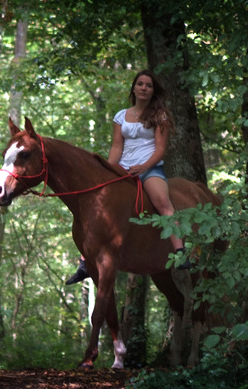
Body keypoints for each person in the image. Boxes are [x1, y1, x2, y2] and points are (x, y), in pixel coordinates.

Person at [66, 70, 190, 285]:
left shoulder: (160, 116)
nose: (144, 88)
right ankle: (85, 263)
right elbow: (117, 145)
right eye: (140, 84)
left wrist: (144, 167)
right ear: (133, 88)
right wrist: (108, 169)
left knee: (163, 203)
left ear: (153, 91)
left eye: (148, 85)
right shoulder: (121, 116)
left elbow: (160, 149)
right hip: (122, 167)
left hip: (150, 168)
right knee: (96, 205)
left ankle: (180, 251)